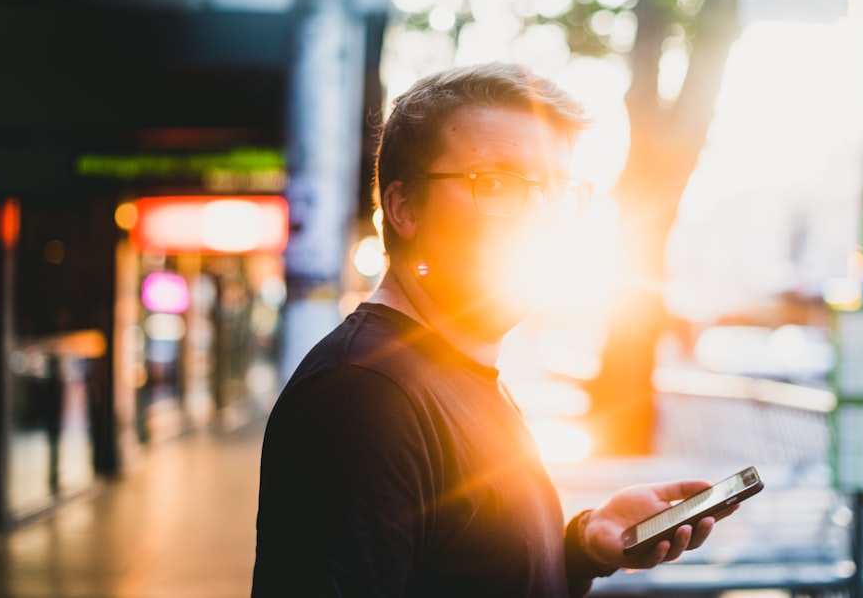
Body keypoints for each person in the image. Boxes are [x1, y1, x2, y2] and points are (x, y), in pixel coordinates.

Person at [252, 62, 729, 597]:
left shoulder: (462, 372)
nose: (538, 217)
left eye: (555, 190)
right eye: (497, 184)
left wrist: (583, 546)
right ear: (403, 207)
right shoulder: (364, 396)